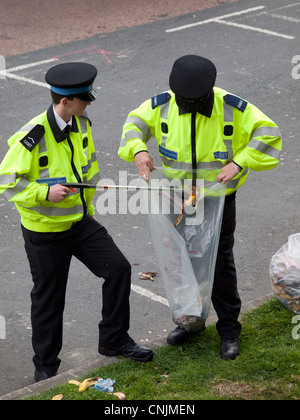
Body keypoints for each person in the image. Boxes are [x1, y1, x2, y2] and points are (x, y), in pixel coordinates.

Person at [118, 55, 282, 360]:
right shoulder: (162, 104)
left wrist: (238, 162)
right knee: (182, 263)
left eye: (194, 101)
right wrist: (139, 149)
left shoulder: (232, 107)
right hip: (176, 199)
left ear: (208, 93)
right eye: (183, 101)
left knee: (218, 265)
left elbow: (268, 134)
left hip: (216, 200)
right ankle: (190, 323)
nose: (187, 105)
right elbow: (133, 125)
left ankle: (230, 330)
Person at [0, 62, 153, 382]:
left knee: (119, 269)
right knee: (49, 299)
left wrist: (91, 196)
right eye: (85, 98)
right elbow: (6, 181)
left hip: (80, 222)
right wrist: (43, 192)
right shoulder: (32, 135)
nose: (90, 102)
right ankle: (46, 367)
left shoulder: (82, 124)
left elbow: (85, 168)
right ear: (65, 102)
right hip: (46, 232)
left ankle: (114, 339)